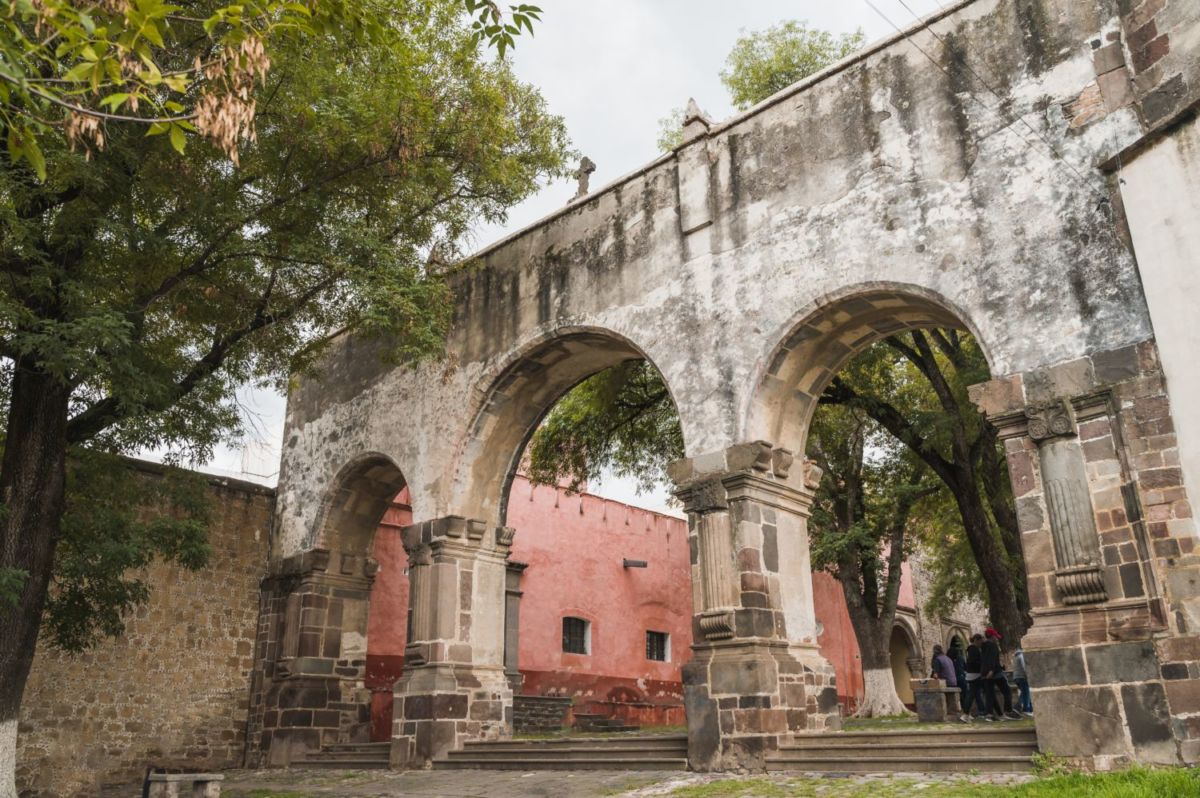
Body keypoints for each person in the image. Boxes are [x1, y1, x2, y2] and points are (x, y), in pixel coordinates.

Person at [981, 627, 1022, 720]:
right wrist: (991, 670)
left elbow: (985, 660)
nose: (996, 638)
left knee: (990, 694)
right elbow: (992, 658)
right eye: (995, 636)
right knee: (1007, 691)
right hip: (995, 672)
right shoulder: (993, 645)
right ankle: (1008, 711)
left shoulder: (983, 646)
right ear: (991, 637)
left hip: (985, 673)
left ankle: (989, 714)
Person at [961, 634, 989, 722]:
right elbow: (972, 662)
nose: (981, 643)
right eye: (980, 640)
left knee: (976, 694)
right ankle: (965, 714)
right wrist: (982, 665)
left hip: (974, 674)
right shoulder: (973, 649)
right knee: (971, 695)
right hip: (974, 675)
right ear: (976, 640)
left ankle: (982, 711)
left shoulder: (973, 649)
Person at [948, 638, 969, 715]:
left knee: (958, 696)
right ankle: (966, 710)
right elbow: (965, 667)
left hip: (954, 678)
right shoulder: (961, 658)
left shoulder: (949, 660)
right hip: (962, 677)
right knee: (965, 694)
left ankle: (959, 710)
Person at [1013, 646, 1033, 716]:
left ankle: (1030, 709)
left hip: (1016, 677)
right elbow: (1024, 667)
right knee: (1026, 693)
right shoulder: (1021, 656)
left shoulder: (1016, 656)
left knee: (1026, 693)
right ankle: (1024, 709)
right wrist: (1028, 676)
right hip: (1022, 677)